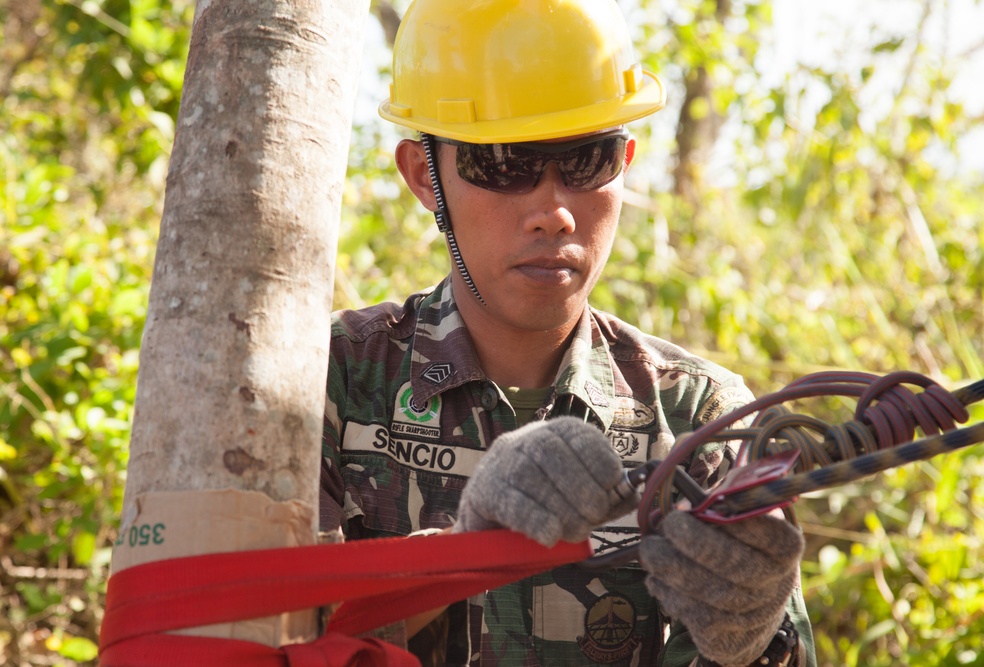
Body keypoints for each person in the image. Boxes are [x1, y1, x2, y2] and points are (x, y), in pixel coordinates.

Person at [319, 0, 816, 665]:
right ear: (423, 177)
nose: (553, 212)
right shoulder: (333, 381)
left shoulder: (698, 419)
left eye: (586, 160)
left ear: (626, 161)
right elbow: (264, 639)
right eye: (503, 163)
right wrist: (459, 550)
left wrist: (751, 638)